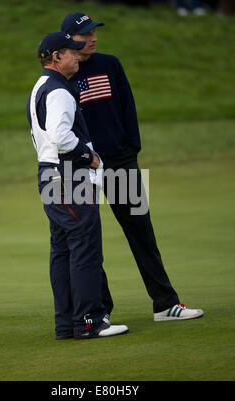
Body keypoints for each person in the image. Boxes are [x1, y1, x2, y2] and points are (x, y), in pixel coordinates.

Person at [60, 13, 204, 322]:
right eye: (86, 34)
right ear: (70, 40)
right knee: (87, 240)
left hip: (120, 162)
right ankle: (100, 312)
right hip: (83, 167)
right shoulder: (64, 74)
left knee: (141, 232)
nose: (94, 38)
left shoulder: (110, 64)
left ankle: (165, 304)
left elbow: (128, 105)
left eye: (94, 32)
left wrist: (131, 149)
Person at [27, 31, 128, 339]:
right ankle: (90, 322)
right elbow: (59, 137)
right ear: (56, 56)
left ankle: (68, 323)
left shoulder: (41, 86)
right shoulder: (59, 90)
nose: (79, 56)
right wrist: (89, 156)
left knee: (62, 249)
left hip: (49, 175)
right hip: (69, 176)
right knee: (84, 247)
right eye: (72, 52)